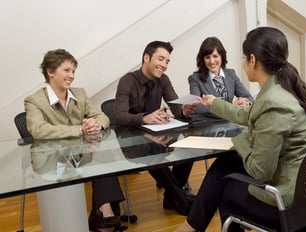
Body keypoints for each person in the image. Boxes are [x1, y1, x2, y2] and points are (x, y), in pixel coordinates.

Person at [174, 27, 306, 232]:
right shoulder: (284, 86)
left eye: (244, 58)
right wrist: (214, 103)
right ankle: (191, 227)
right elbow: (248, 115)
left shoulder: (273, 101)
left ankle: (191, 227)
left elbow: (260, 171)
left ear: (253, 60)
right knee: (224, 164)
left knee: (226, 190)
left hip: (293, 203)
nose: (243, 63)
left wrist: (239, 141)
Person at [24, 49, 126, 232]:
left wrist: (96, 125)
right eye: (67, 70)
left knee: (105, 156)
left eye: (73, 71)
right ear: (50, 71)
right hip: (53, 160)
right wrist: (80, 129)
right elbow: (38, 129)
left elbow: (103, 117)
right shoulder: (34, 100)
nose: (71, 76)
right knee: (101, 161)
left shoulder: (79, 94)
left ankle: (104, 213)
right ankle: (104, 217)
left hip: (80, 155)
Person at [115, 41, 197, 216]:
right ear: (146, 57)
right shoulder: (127, 81)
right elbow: (119, 116)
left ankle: (172, 197)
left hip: (158, 137)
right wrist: (144, 118)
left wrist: (184, 109)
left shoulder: (163, 80)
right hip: (133, 143)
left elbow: (175, 106)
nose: (164, 65)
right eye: (161, 59)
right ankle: (181, 200)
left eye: (167, 61)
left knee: (191, 147)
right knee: (152, 157)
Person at [189, 36, 254, 114]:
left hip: (231, 121)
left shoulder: (231, 74)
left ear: (221, 56)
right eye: (207, 57)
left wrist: (245, 103)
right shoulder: (195, 79)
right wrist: (231, 106)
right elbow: (197, 107)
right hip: (209, 123)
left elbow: (248, 97)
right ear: (203, 59)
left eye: (215, 56)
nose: (212, 61)